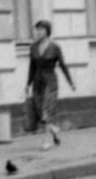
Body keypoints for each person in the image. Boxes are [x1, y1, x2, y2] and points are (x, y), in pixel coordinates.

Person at [25, 20, 76, 150]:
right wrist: (28, 83)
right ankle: (53, 130)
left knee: (46, 111)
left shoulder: (55, 47)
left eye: (41, 29)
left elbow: (63, 65)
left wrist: (70, 82)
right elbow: (32, 67)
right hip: (37, 82)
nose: (38, 32)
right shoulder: (33, 47)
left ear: (47, 31)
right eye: (37, 29)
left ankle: (46, 141)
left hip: (50, 82)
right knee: (40, 112)